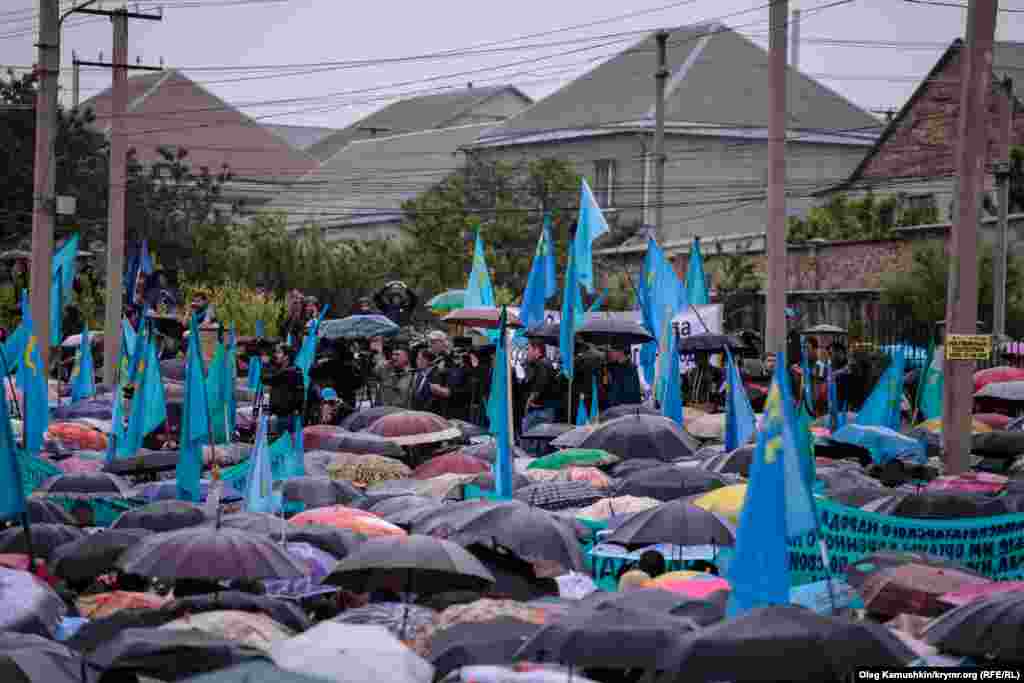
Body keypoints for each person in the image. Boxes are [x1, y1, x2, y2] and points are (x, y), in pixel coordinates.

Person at [262, 344, 306, 433]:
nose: (276, 355)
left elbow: (266, 379)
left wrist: (266, 363)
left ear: (286, 357)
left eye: (279, 353)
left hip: (287, 416)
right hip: (282, 415)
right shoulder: (289, 370)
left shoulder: (291, 371)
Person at [519, 341, 560, 434]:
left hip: (539, 410)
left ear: (537, 350)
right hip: (546, 408)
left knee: (529, 437)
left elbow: (539, 386)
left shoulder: (541, 364)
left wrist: (528, 403)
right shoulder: (545, 363)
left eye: (529, 349)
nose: (527, 352)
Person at [374, 342, 414, 407]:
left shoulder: (413, 375)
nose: (393, 357)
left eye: (397, 355)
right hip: (384, 410)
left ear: (407, 357)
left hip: (402, 411)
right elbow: (374, 372)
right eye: (393, 354)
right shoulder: (385, 370)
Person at [603, 345, 643, 409]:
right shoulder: (612, 367)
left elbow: (630, 394)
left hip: (624, 408)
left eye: (612, 351)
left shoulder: (629, 369)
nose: (609, 353)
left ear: (620, 352)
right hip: (615, 407)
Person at [411, 348, 448, 413]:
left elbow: (435, 399)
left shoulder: (437, 375)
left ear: (427, 361)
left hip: (429, 412)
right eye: (417, 359)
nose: (417, 361)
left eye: (420, 359)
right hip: (416, 411)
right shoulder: (418, 374)